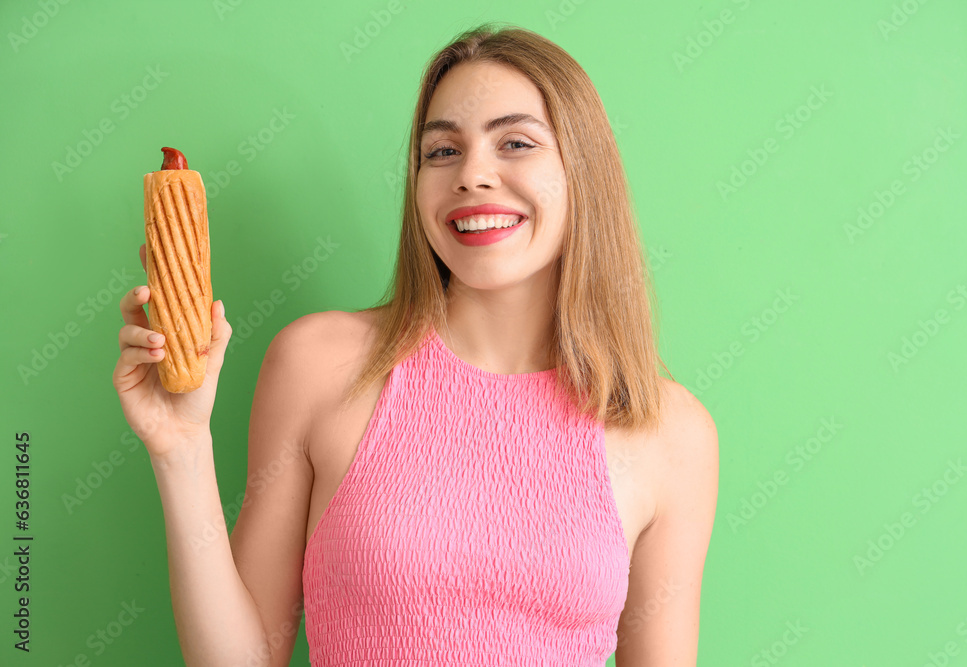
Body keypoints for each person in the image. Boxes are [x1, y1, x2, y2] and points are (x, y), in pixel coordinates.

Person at [112, 22, 718, 667]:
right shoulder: (319, 364)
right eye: (442, 151)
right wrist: (181, 448)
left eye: (515, 142)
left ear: (583, 172)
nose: (472, 176)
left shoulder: (671, 432)